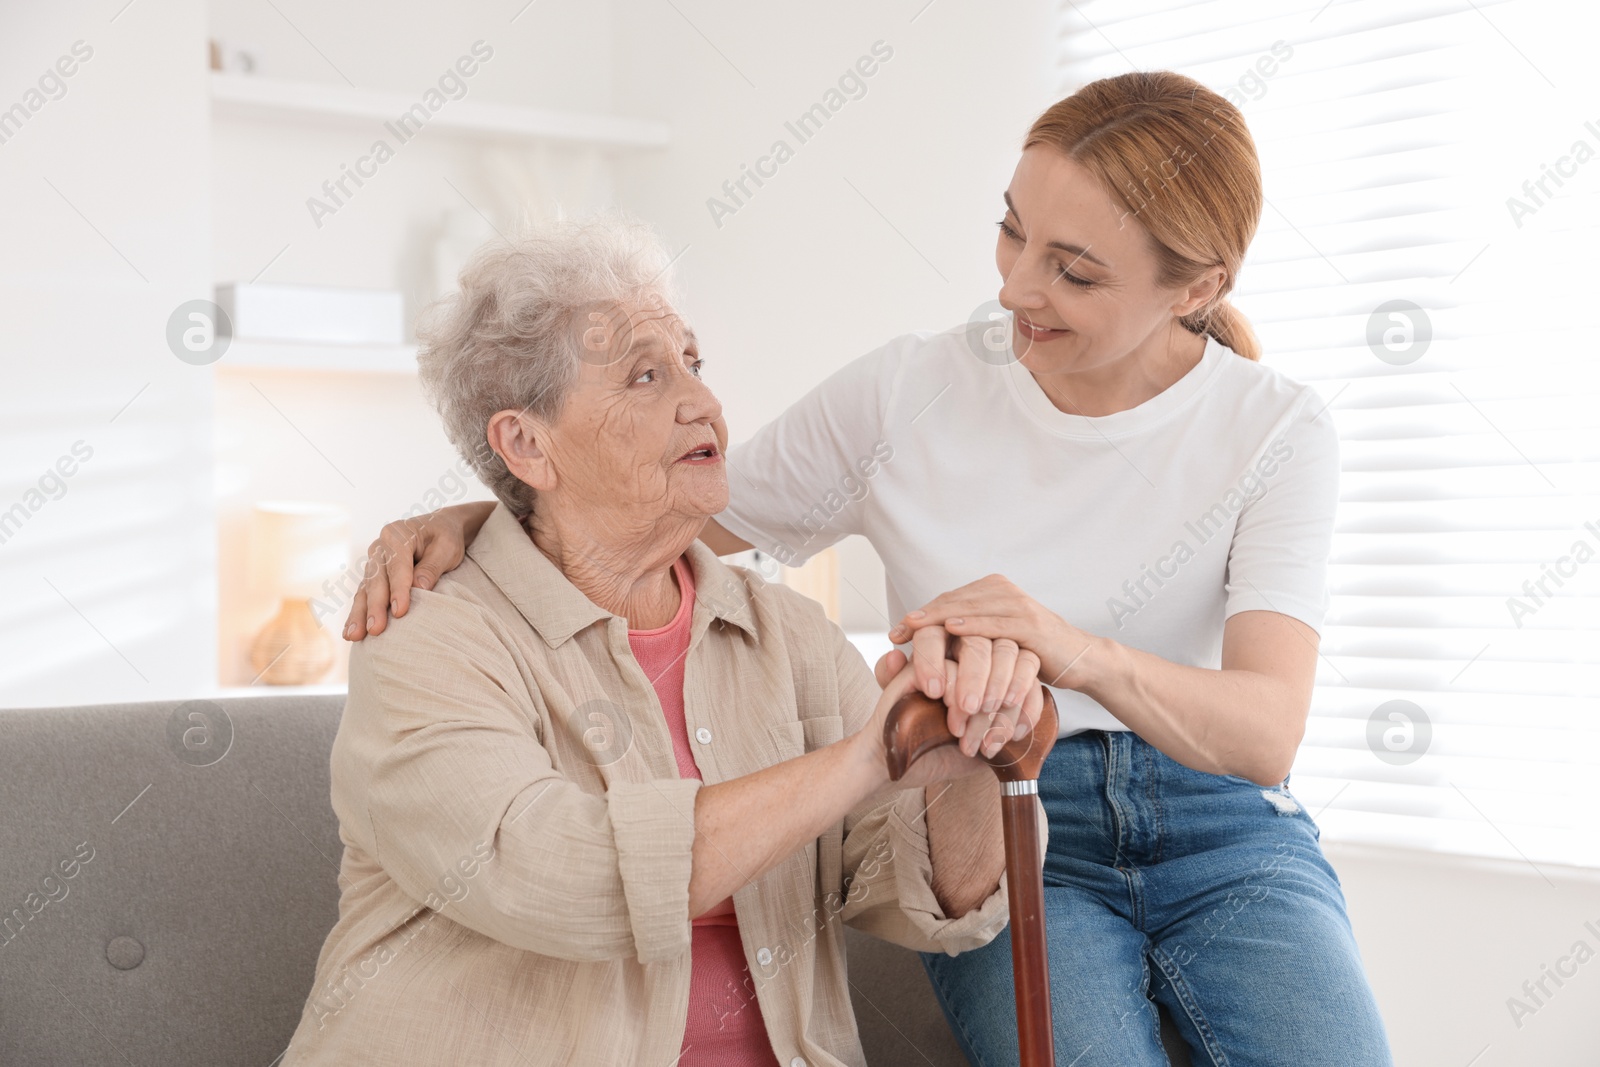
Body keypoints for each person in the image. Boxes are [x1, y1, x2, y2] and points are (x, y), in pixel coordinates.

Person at [344, 71, 1394, 1066]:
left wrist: (1071, 652)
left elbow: (1264, 732)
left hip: (1224, 826)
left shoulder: (1274, 427)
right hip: (1024, 798)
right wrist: (485, 508)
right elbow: (665, 500)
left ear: (1197, 287)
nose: (1015, 288)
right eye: (1012, 231)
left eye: (1071, 270)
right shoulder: (912, 391)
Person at [282, 214, 1050, 1067]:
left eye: (693, 362)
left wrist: (968, 748)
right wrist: (871, 753)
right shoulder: (427, 635)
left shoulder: (784, 633)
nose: (703, 401)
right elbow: (563, 876)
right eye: (645, 376)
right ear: (527, 444)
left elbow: (926, 896)